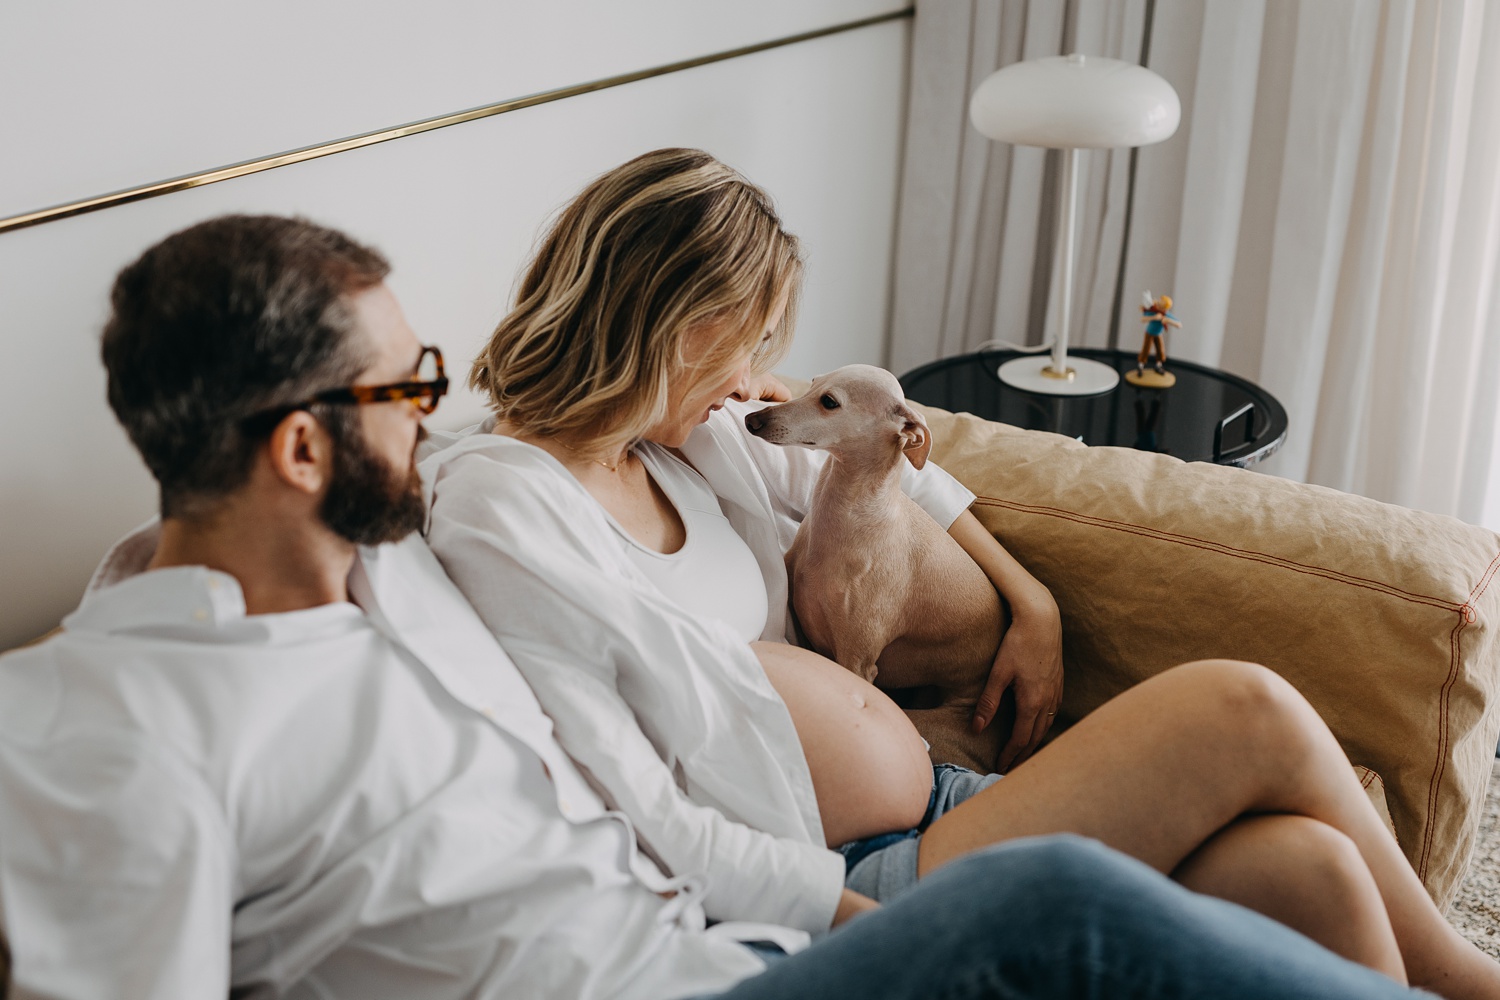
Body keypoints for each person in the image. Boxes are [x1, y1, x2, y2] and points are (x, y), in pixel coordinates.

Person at [0, 213, 1440, 1000]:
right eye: (405, 392)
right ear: (303, 450)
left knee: (1295, 881)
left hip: (727, 941)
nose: (436, 417)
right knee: (1051, 900)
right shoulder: (114, 722)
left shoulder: (402, 569)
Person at [421, 148, 1500, 999]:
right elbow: (636, 800)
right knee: (1244, 708)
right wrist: (877, 934)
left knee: (1310, 872)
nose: (755, 378)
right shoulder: (507, 501)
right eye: (737, 344)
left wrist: (1024, 594)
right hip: (838, 876)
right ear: (661, 326)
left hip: (938, 804)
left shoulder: (692, 434)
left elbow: (893, 454)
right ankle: (1468, 981)